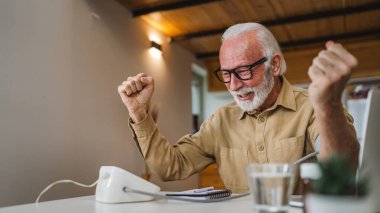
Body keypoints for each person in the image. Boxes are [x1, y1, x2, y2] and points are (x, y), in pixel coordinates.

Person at [117, 23, 359, 193]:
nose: (233, 85)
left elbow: (342, 168)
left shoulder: (313, 107)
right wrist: (139, 114)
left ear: (274, 65)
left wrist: (328, 106)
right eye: (226, 74)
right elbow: (170, 168)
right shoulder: (220, 120)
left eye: (243, 71)